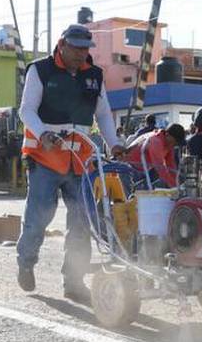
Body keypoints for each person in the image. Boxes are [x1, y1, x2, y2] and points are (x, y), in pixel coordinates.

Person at [16, 24, 124, 303]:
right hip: (45, 158)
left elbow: (103, 115)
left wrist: (115, 144)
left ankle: (73, 282)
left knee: (81, 223)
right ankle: (26, 262)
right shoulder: (40, 71)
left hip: (81, 163)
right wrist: (43, 133)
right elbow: (26, 110)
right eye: (75, 47)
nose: (81, 54)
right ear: (62, 44)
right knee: (38, 218)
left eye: (85, 48)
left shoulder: (94, 76)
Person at [124, 123, 186, 188]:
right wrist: (174, 186)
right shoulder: (156, 141)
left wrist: (177, 183)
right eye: (175, 141)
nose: (175, 144)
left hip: (144, 169)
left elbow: (171, 165)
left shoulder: (169, 144)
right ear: (167, 135)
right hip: (130, 168)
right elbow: (160, 168)